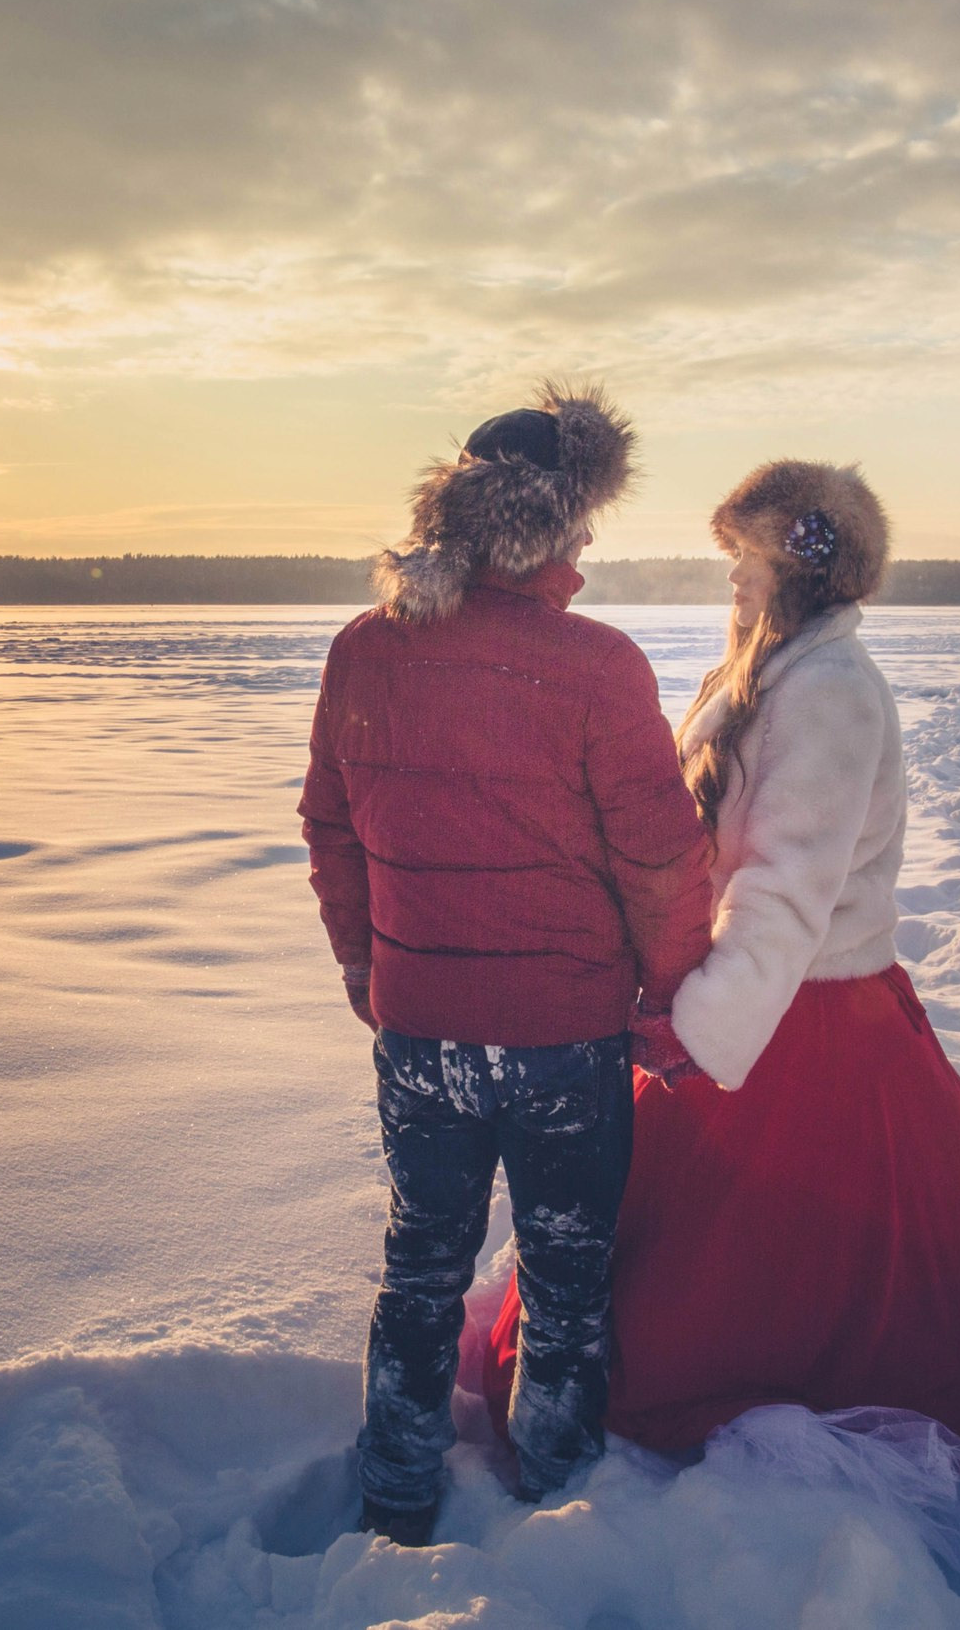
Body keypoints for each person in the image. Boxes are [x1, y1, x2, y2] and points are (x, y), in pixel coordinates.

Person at [483, 459, 960, 1471]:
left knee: (730, 1317)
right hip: (747, 999)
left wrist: (699, 1025)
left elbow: (786, 890)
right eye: (730, 554)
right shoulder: (759, 673)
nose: (732, 575)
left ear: (802, 570)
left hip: (803, 1023)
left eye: (748, 556)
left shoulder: (830, 694)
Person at [300, 382, 714, 1546]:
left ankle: (396, 1492)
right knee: (567, 1281)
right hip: (562, 1036)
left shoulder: (365, 649)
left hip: (419, 1028)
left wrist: (367, 972)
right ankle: (555, 1501)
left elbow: (330, 829)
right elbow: (660, 857)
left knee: (421, 1265)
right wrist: (671, 993)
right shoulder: (593, 664)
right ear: (559, 527)